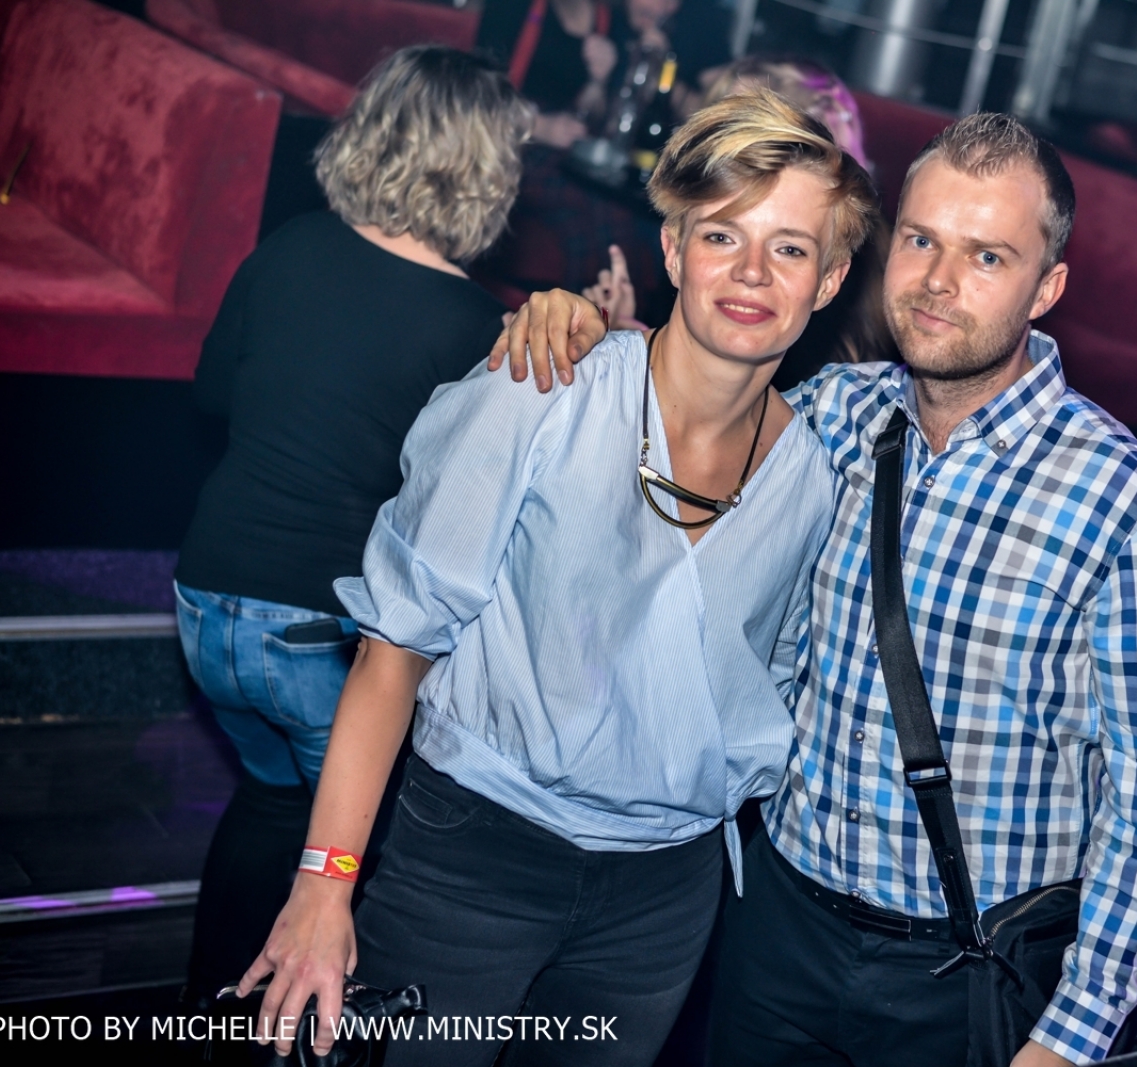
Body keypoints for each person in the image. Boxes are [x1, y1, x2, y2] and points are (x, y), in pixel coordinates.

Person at [499, 111, 1137, 1067]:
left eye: (987, 257)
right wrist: (583, 332)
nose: (938, 280)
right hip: (777, 927)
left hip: (967, 970)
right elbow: (684, 401)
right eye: (920, 240)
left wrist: (1071, 1034)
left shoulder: (1127, 506)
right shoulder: (834, 414)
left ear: (1047, 288)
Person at [238, 90, 877, 1066]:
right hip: (473, 856)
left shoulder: (814, 481)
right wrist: (325, 883)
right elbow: (392, 650)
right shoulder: (544, 385)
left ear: (828, 280)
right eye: (722, 235)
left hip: (663, 899)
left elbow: (773, 679)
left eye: (789, 248)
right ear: (673, 250)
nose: (751, 272)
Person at [171, 47, 533, 1010]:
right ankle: (312, 1028)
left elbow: (211, 395)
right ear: (488, 169)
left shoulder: (289, 245)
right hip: (320, 633)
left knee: (270, 801)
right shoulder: (470, 324)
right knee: (360, 856)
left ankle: (213, 1012)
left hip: (205, 601)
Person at [584, 56, 892, 385]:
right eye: (717, 120)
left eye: (745, 122)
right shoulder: (698, 223)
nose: (752, 271)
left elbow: (771, 377)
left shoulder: (851, 253)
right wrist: (628, 334)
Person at [479, 0, 729, 147]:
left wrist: (659, 74)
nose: (665, 8)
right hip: (503, 137)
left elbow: (724, 112)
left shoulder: (697, 20)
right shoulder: (611, 20)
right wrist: (540, 126)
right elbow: (474, 90)